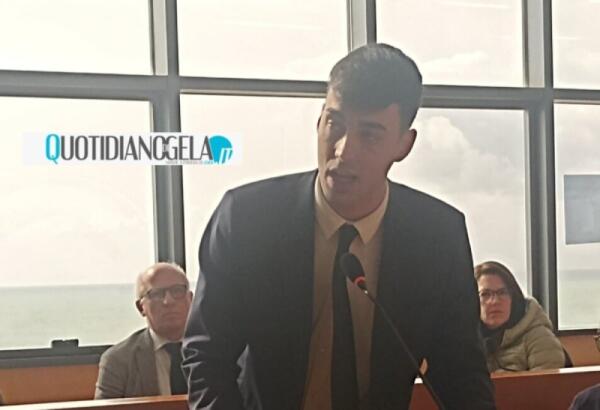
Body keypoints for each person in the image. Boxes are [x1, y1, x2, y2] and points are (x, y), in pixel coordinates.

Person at [183, 43, 495, 410]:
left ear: (404, 144)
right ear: (319, 121)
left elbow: (461, 372)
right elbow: (206, 357)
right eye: (335, 124)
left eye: (370, 134)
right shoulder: (247, 219)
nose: (344, 151)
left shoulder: (437, 236)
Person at [95, 262, 192, 399]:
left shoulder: (217, 349)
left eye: (177, 291)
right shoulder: (118, 360)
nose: (168, 301)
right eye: (157, 294)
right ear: (141, 308)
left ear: (191, 299)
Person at [475, 260, 565, 372]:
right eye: (485, 294)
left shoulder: (539, 337)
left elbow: (547, 382)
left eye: (502, 293)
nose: (494, 301)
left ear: (514, 298)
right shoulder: (466, 338)